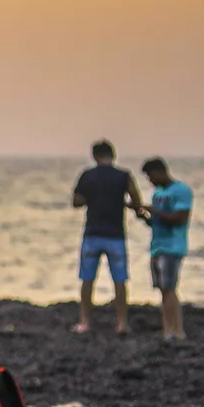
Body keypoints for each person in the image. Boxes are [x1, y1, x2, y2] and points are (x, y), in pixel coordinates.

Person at [71, 139, 149, 336]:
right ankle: (121, 323)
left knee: (87, 279)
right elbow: (136, 200)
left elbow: (76, 201)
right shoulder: (123, 175)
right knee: (120, 280)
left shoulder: (87, 176)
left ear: (95, 156)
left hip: (92, 233)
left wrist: (93, 198)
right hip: (116, 234)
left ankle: (85, 322)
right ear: (112, 155)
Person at [143, 157, 191, 342]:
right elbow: (157, 222)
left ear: (159, 171)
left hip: (172, 247)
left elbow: (179, 218)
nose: (150, 181)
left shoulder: (181, 191)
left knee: (170, 288)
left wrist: (153, 211)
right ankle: (167, 329)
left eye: (150, 176)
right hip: (157, 246)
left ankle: (177, 330)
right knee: (163, 289)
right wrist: (144, 215)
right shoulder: (158, 194)